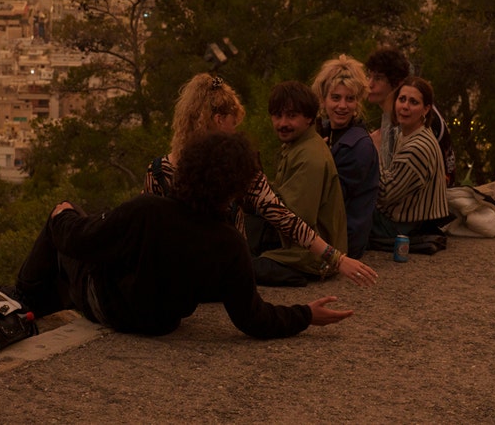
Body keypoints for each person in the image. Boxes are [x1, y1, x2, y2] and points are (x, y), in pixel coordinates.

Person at [0, 131, 353, 339]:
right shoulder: (230, 245)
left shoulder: (149, 211)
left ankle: (17, 299)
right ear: (233, 187)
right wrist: (306, 315)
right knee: (82, 254)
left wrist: (61, 216)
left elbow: (79, 242)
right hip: (159, 324)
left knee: (69, 220)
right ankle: (24, 304)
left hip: (110, 306)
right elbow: (253, 318)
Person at [143, 74, 376, 287]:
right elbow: (287, 220)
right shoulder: (238, 168)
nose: (235, 131)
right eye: (234, 123)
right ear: (219, 119)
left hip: (174, 280)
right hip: (219, 277)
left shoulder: (157, 170)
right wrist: (337, 259)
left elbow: (148, 230)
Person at [260, 81, 351, 286]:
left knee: (241, 268)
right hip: (303, 248)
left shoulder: (309, 156)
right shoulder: (296, 145)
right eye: (277, 115)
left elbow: (294, 217)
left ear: (309, 118)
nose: (283, 123)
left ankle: (296, 274)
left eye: (291, 116)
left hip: (312, 257)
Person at [370, 77, 453, 254]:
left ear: (426, 109)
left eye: (413, 102)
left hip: (401, 226)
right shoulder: (413, 133)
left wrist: (375, 151)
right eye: (402, 99)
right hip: (410, 219)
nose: (405, 107)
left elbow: (385, 193)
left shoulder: (417, 148)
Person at [311, 55, 379, 259]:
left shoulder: (358, 146)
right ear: (323, 99)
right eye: (336, 98)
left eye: (350, 99)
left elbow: (330, 201)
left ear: (358, 103)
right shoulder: (325, 132)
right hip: (329, 233)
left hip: (342, 242)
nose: (342, 106)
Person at [364, 46, 457, 184]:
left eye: (378, 78)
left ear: (398, 82)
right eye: (369, 76)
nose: (369, 84)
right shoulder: (392, 115)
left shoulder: (413, 116)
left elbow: (390, 181)